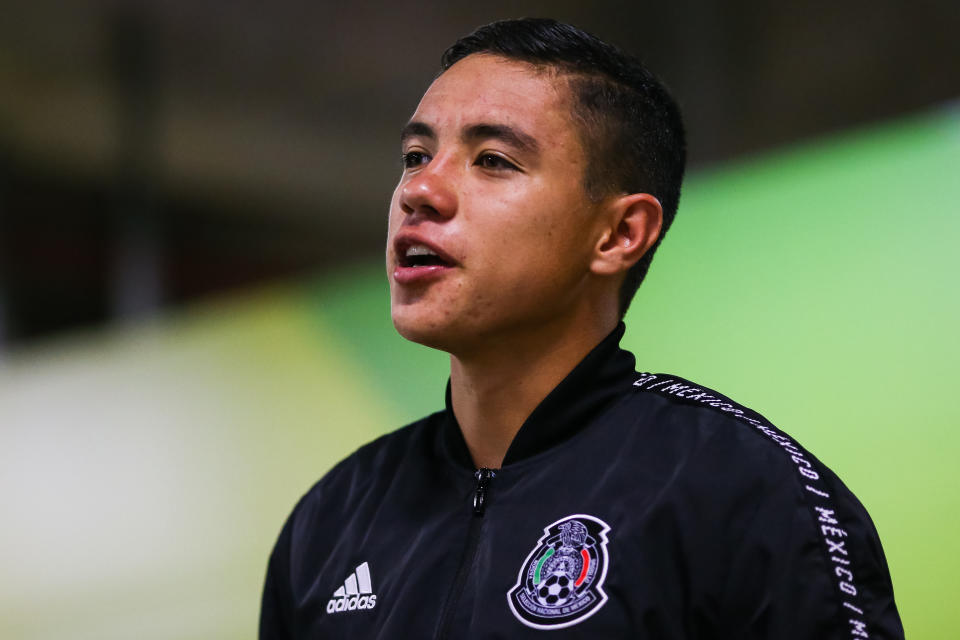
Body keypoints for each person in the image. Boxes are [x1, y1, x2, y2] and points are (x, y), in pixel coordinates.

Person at [260, 18, 904, 639]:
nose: (420, 190)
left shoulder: (743, 491)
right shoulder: (333, 518)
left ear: (619, 234)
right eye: (415, 154)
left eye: (492, 160)